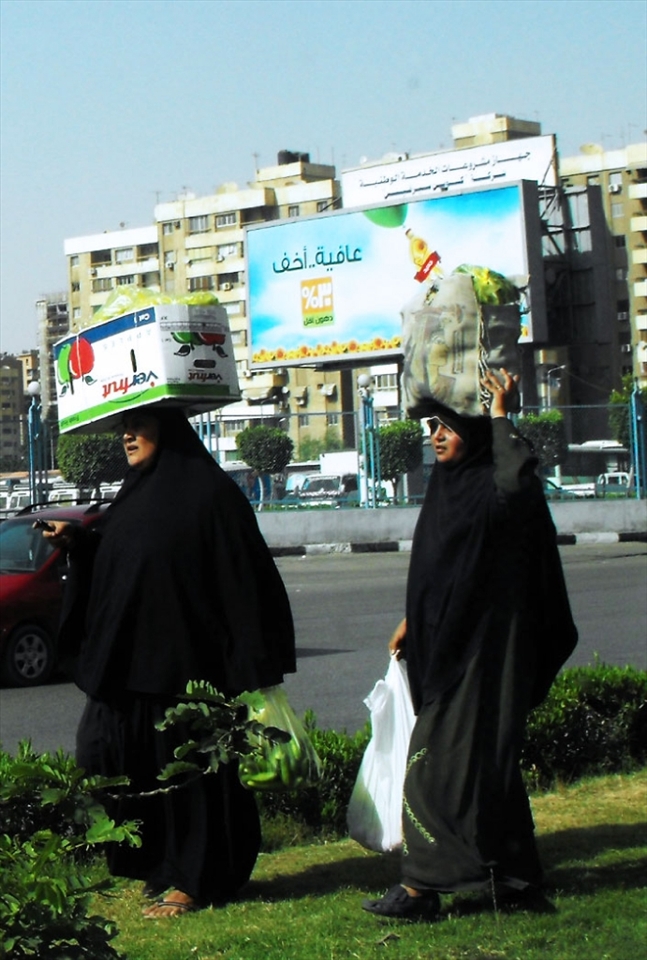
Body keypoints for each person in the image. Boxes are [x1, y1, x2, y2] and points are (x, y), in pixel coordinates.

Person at [40, 405, 296, 918]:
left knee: (190, 781)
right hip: (131, 666)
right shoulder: (135, 493)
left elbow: (242, 576)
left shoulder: (210, 495)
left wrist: (250, 661)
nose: (127, 437)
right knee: (104, 756)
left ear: (169, 430)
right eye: (123, 429)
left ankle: (193, 878)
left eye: (138, 427)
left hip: (189, 672)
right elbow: (122, 551)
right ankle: (160, 866)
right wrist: (78, 542)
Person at [362, 369, 578, 920]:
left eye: (449, 427)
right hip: (445, 641)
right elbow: (445, 567)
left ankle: (421, 886)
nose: (436, 436)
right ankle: (514, 878)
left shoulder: (497, 485)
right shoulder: (449, 486)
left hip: (485, 651)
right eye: (433, 426)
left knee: (434, 767)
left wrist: (501, 414)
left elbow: (515, 485)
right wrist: (414, 618)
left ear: (477, 433)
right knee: (487, 767)